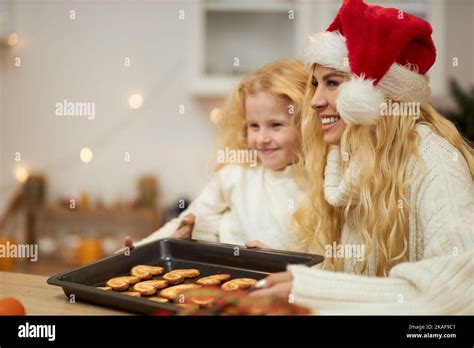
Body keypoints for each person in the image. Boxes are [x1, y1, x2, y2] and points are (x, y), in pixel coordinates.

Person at [251, 0, 474, 314]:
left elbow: (461, 293)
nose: (314, 101)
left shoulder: (435, 163)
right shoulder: (350, 160)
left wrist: (311, 289)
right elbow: (358, 282)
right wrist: (290, 268)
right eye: (315, 84)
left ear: (375, 94)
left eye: (333, 83)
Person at [122, 59, 309, 252]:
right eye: (254, 126)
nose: (261, 139)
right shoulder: (236, 173)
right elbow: (186, 223)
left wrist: (278, 260)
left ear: (306, 125)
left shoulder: (319, 187)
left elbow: (320, 262)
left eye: (275, 125)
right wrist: (139, 250)